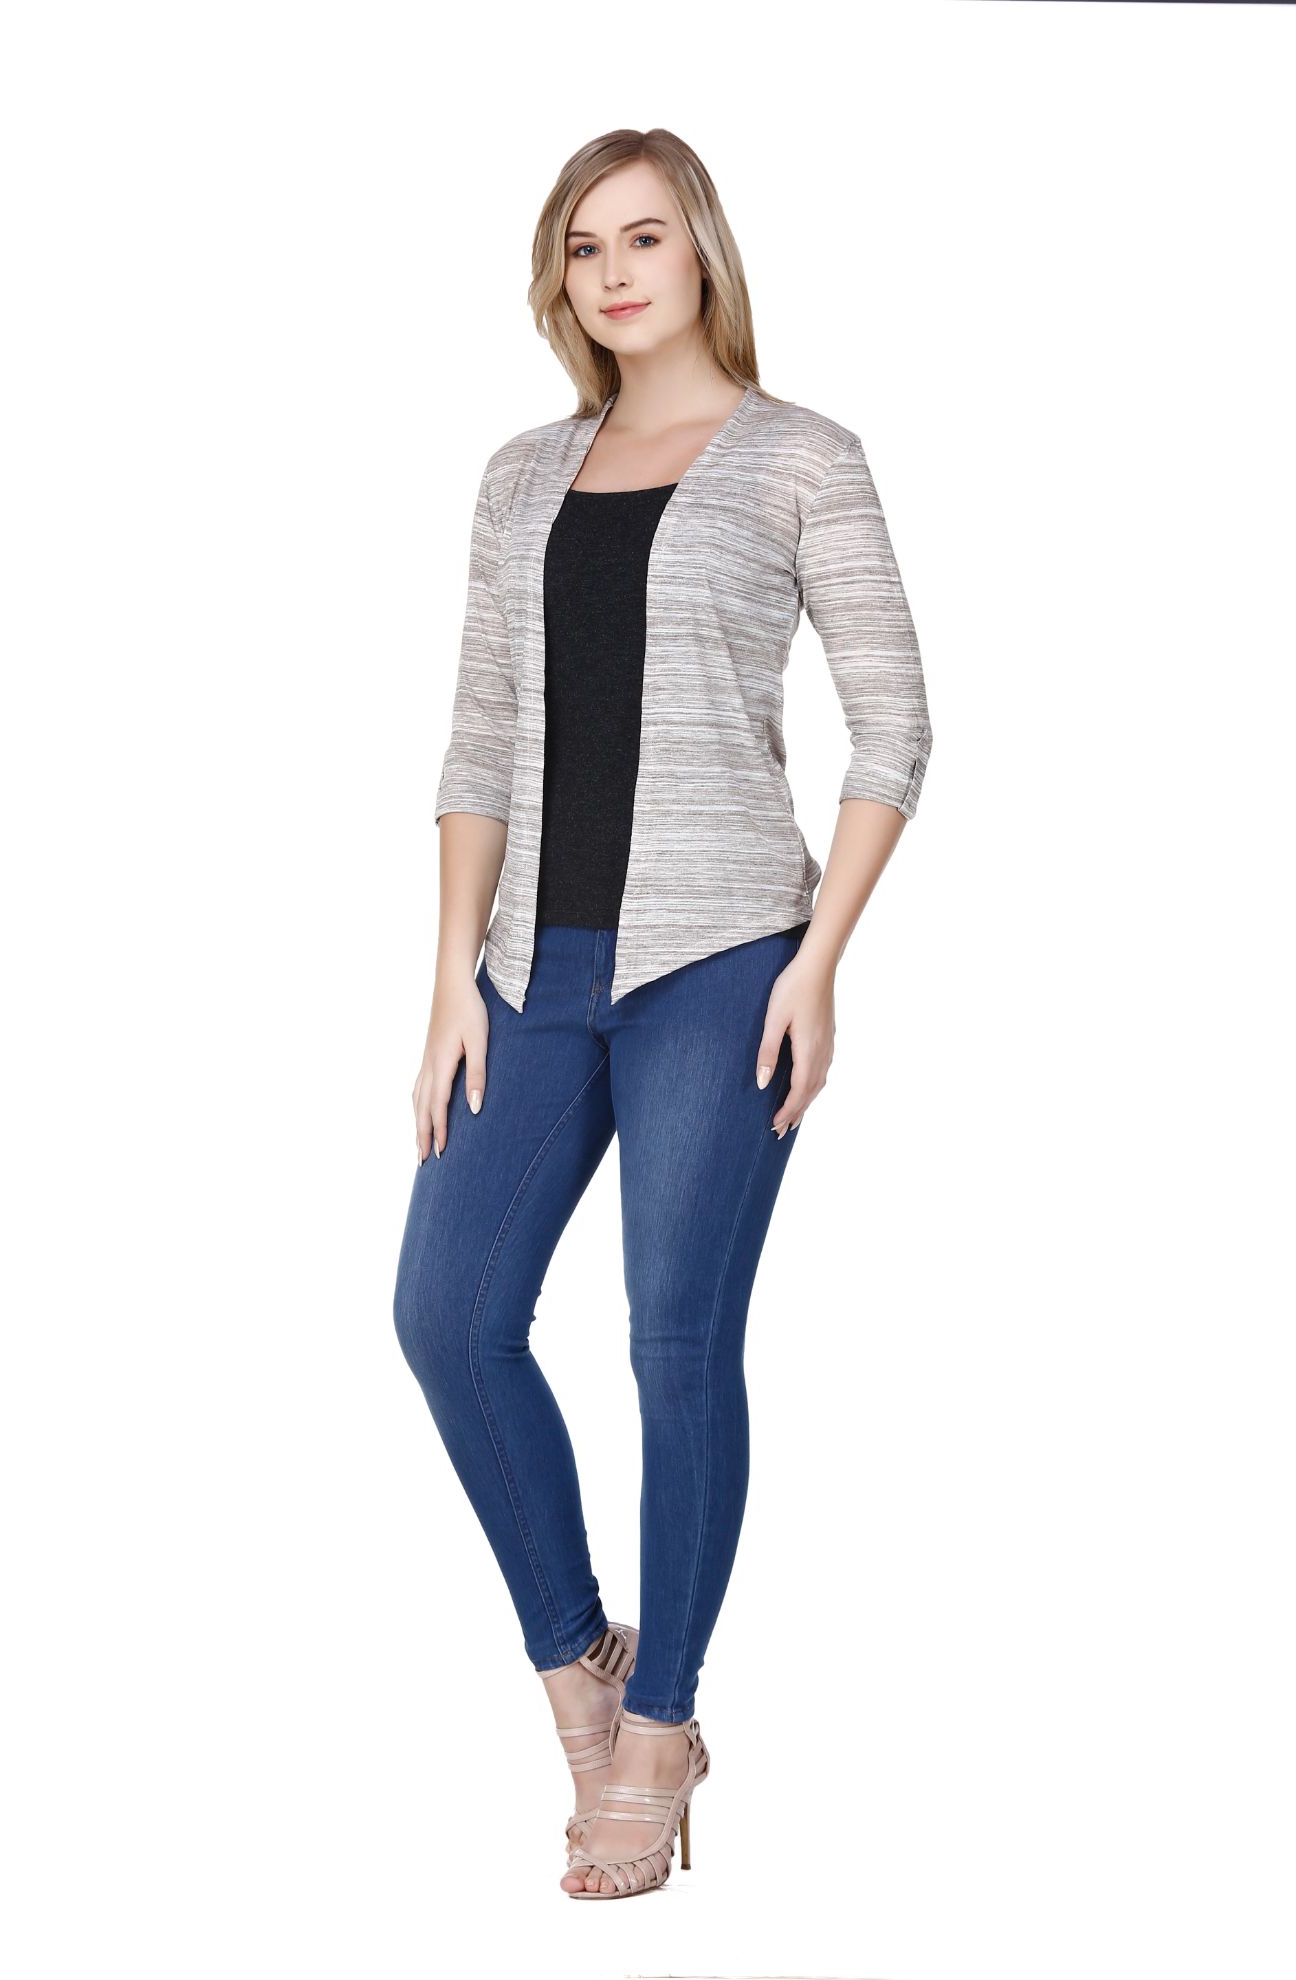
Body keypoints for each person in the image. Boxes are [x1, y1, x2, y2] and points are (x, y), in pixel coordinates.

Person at [392, 126, 933, 1900]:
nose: (613, 272)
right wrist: (450, 981)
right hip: (529, 973)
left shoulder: (801, 458)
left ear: (701, 249)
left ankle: (665, 1726)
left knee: (675, 1343)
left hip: (724, 960)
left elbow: (895, 726)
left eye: (642, 236)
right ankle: (583, 1676)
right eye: (583, 246)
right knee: (449, 1316)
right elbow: (480, 741)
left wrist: (817, 962)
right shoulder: (519, 476)